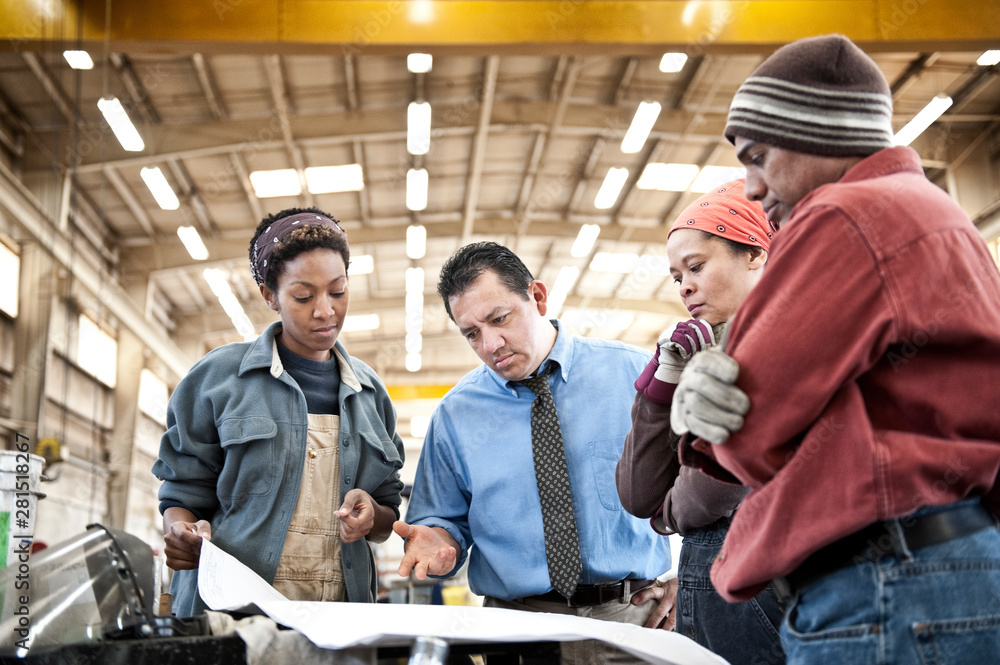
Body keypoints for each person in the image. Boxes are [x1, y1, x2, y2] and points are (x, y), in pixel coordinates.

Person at [669, 34, 1000, 664]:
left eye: (759, 156)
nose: (754, 187)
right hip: (960, 571)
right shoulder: (942, 218)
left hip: (882, 588)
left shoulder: (846, 214)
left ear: (817, 133)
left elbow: (745, 429)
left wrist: (701, 413)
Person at [394, 242, 675, 665]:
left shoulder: (634, 378)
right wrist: (438, 540)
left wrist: (693, 580)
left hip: (633, 623)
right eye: (472, 333)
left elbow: (711, 486)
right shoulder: (456, 415)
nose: (490, 344)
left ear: (537, 297)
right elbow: (440, 522)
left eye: (499, 318)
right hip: (517, 633)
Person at [153, 207, 405, 617]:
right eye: (304, 296)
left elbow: (386, 509)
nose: (325, 310)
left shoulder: (370, 393)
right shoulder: (219, 378)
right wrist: (181, 533)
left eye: (338, 291)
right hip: (233, 612)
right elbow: (183, 492)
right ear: (269, 295)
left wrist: (372, 517)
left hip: (340, 619)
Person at [616, 179, 785, 665]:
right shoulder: (701, 355)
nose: (685, 285)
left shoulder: (773, 347)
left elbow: (703, 497)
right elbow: (635, 494)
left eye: (696, 266)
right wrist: (657, 393)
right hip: (711, 581)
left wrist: (667, 517)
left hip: (759, 586)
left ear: (754, 254)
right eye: (676, 276)